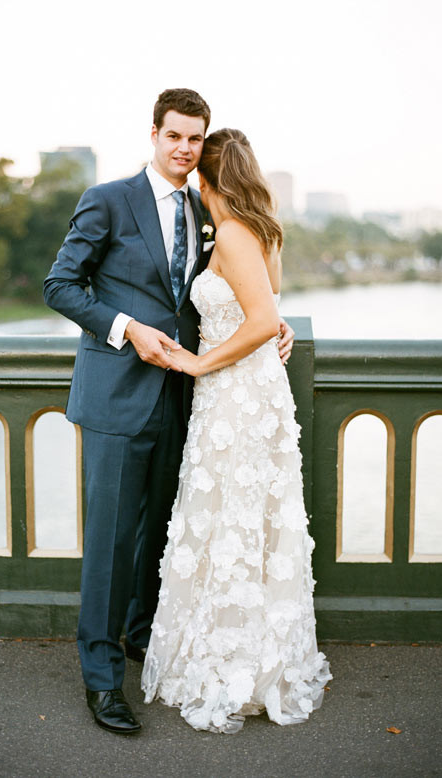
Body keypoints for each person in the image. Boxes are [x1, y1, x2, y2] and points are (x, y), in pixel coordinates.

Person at [43, 90, 295, 735]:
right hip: (118, 397)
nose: (185, 149)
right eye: (175, 136)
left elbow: (225, 289)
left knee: (161, 534)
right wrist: (126, 328)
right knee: (109, 546)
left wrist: (272, 319)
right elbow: (60, 285)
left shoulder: (207, 206)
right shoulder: (108, 199)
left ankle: (140, 638)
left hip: (189, 403)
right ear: (153, 133)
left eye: (195, 139)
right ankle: (103, 683)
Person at [141, 128, 331, 733]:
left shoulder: (232, 232)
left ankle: (237, 660)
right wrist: (267, 329)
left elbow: (260, 318)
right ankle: (242, 649)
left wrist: (198, 361)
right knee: (239, 514)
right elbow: (267, 302)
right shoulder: (259, 229)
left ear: (206, 178)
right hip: (245, 390)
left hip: (235, 394)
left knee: (234, 513)